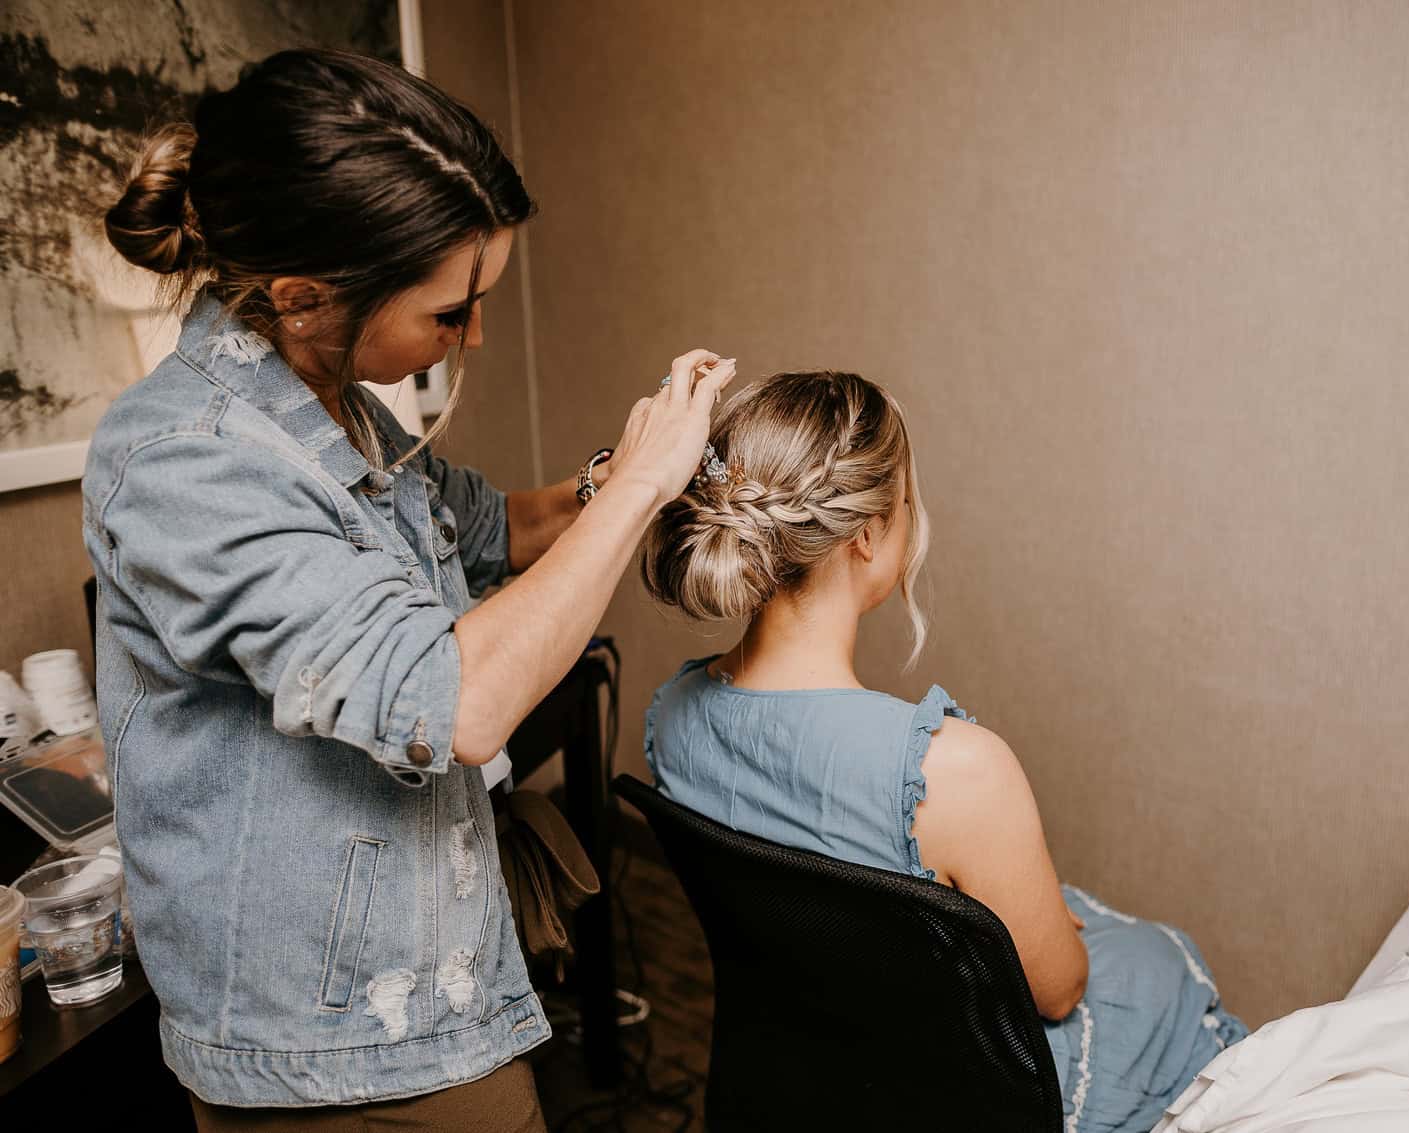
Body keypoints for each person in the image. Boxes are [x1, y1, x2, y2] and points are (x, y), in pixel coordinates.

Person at [85, 48, 734, 1129]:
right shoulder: (182, 463)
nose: (473, 334)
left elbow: (489, 527)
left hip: (435, 954)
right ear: (302, 296)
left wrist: (611, 478)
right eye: (449, 310)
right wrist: (641, 497)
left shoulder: (328, 399)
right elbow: (455, 701)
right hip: (330, 1038)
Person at [640, 370, 1246, 1133]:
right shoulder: (953, 772)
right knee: (1165, 967)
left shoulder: (671, 720)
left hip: (809, 1066)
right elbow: (1058, 991)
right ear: (866, 534)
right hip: (950, 1096)